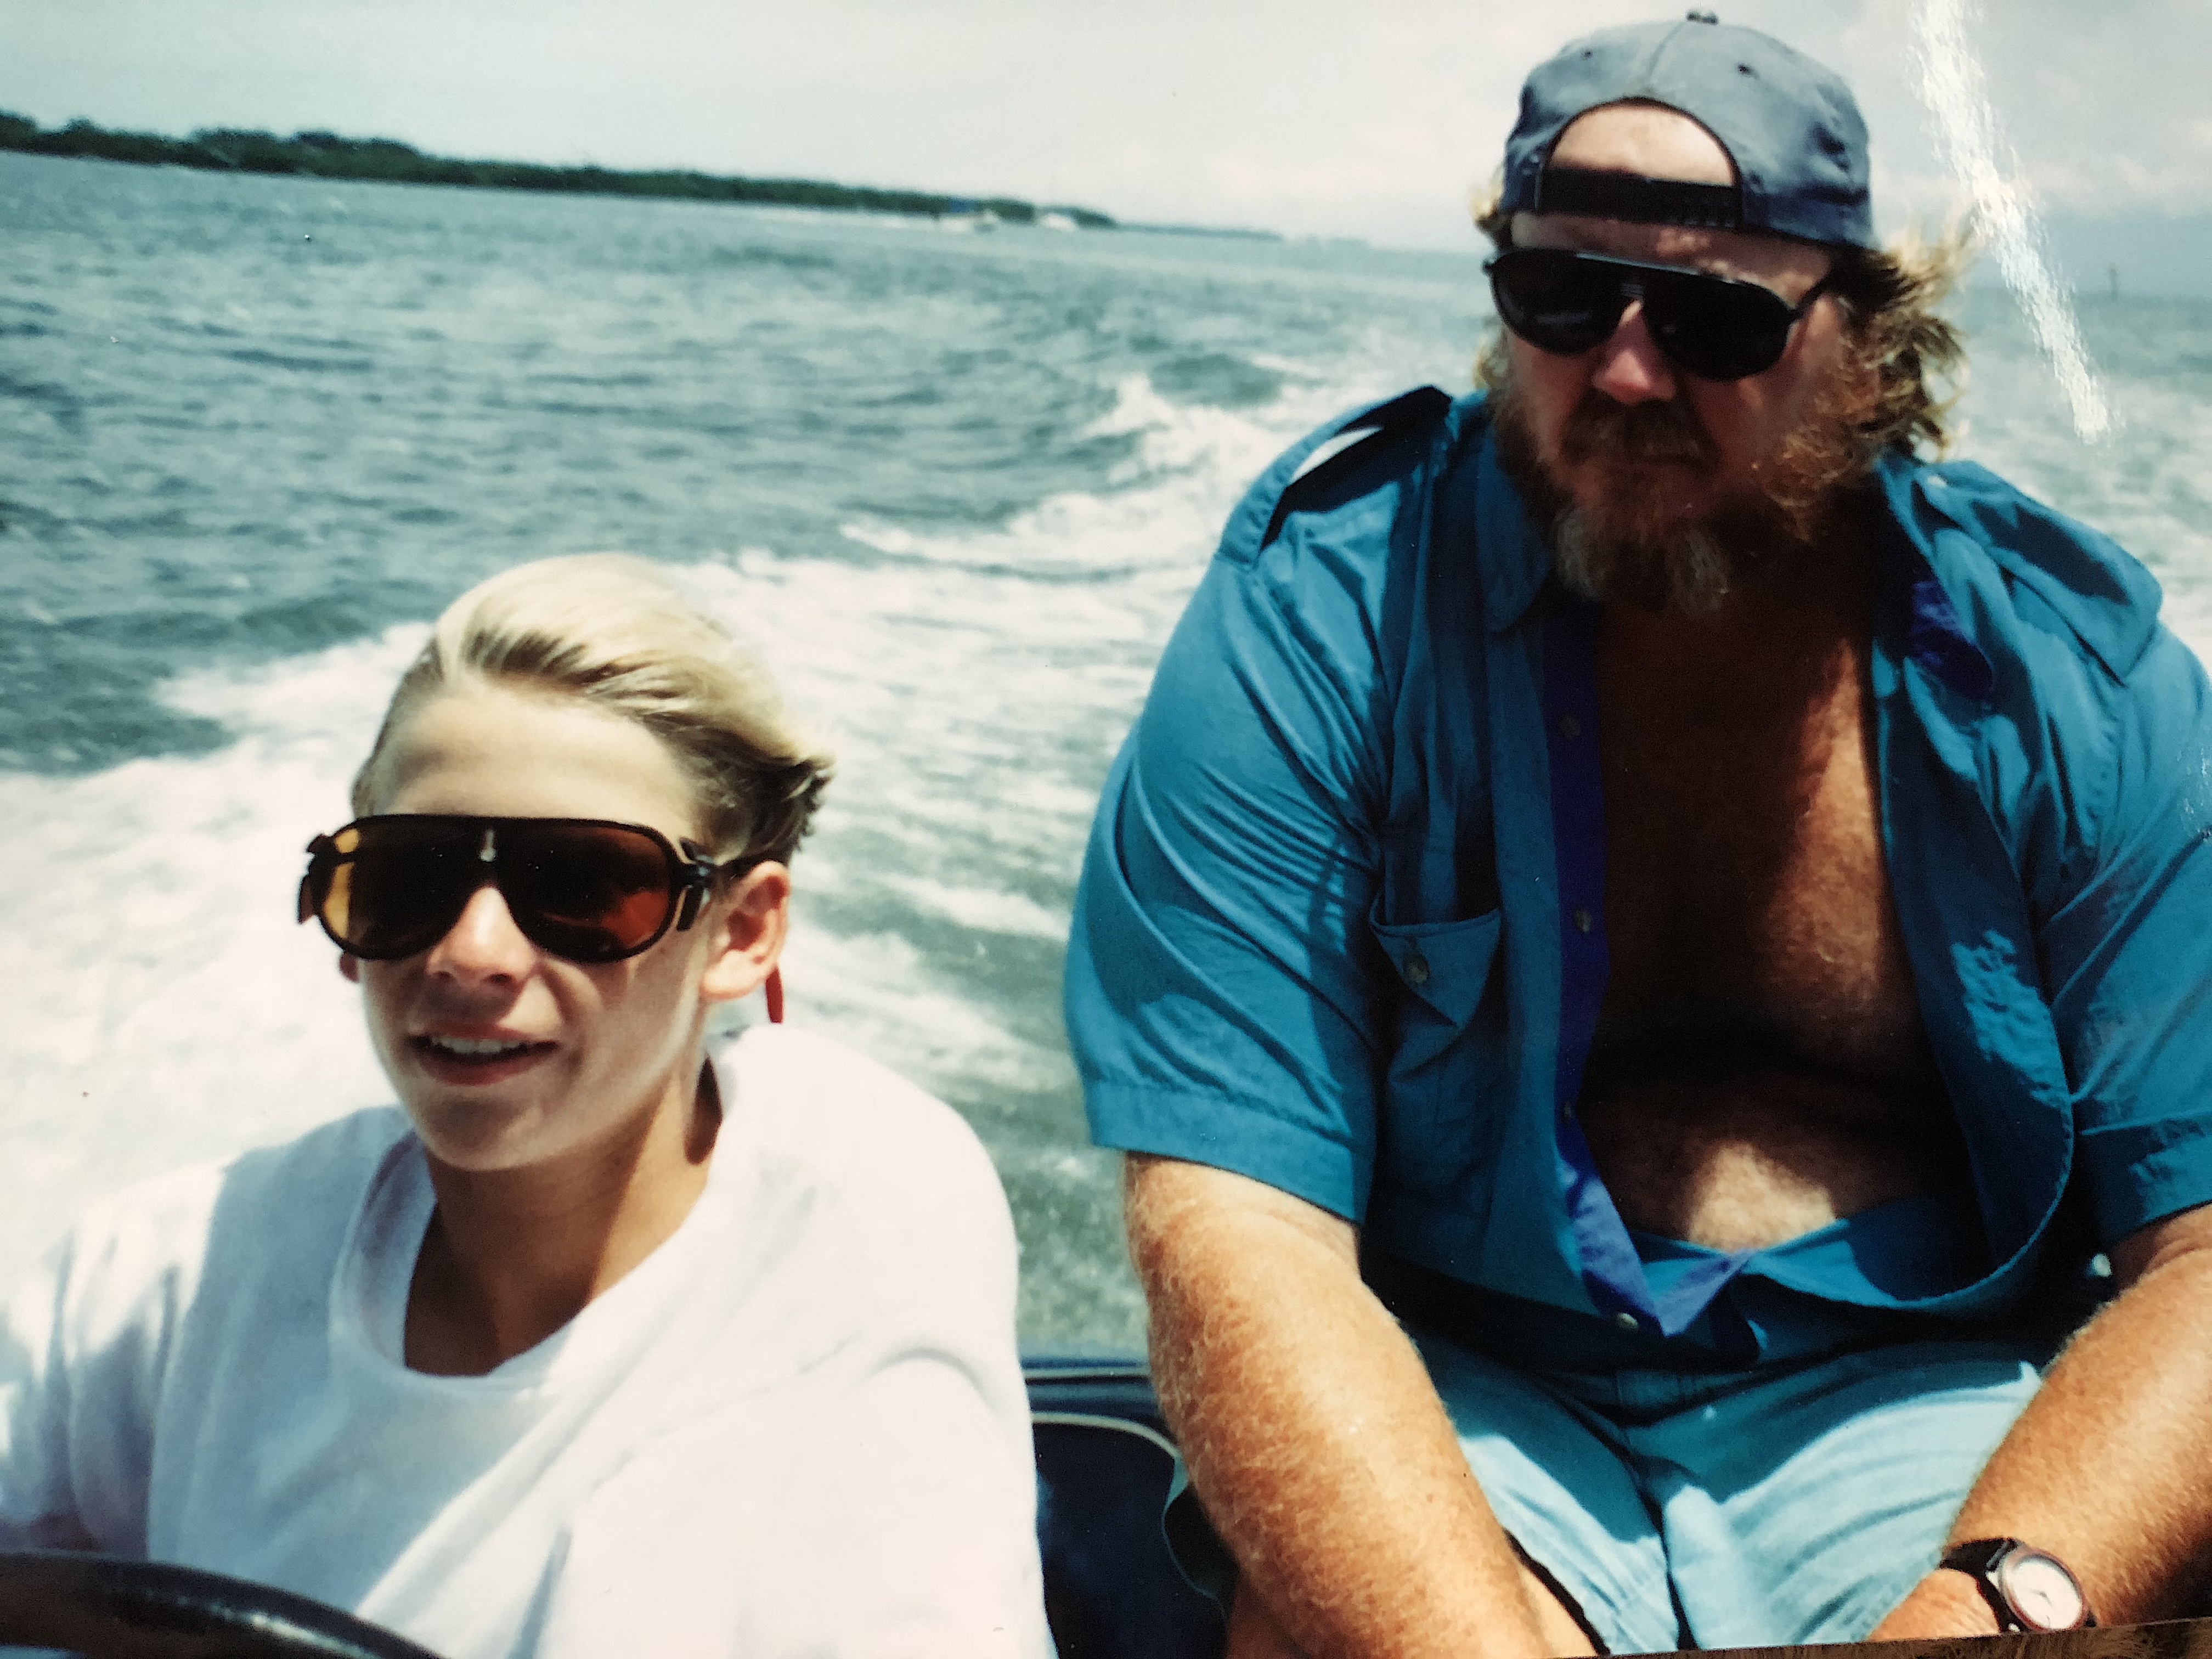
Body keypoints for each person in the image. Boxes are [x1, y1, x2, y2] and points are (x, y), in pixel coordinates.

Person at [1065, 15, 2212, 1659]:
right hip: (1466, 1375)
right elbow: (1235, 1223)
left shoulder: (2069, 681)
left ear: (1864, 344)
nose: (1623, 370)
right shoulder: (1321, 622)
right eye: (1560, 299)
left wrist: (1988, 1611)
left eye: (1715, 318)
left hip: (1922, 1396)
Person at [0, 555, 1053, 1659]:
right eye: (407, 878)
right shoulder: (158, 1283)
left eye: (587, 885)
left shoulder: (861, 1247)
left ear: (741, 935)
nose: (472, 953)